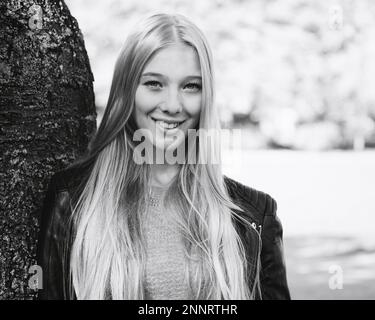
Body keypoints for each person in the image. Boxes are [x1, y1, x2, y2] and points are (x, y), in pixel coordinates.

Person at [37, 13, 290, 300]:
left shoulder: (253, 216)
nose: (172, 105)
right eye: (154, 84)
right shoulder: (71, 201)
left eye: (190, 86)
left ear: (206, 95)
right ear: (126, 90)